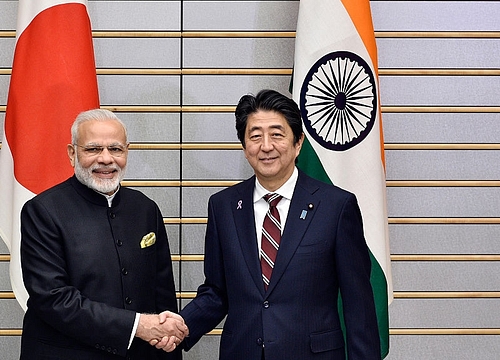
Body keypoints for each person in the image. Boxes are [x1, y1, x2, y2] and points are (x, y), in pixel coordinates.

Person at [157, 89, 380, 359]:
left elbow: (359, 304)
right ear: (244, 146)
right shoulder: (224, 206)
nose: (266, 146)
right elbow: (217, 292)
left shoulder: (336, 206)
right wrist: (181, 326)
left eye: (277, 134)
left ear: (298, 142)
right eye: (255, 136)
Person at [19, 108, 187, 359]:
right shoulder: (42, 211)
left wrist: (167, 339)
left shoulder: (145, 209)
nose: (106, 159)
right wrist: (137, 326)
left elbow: (162, 295)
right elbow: (53, 299)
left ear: (127, 152)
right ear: (72, 153)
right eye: (93, 149)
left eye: (116, 149)